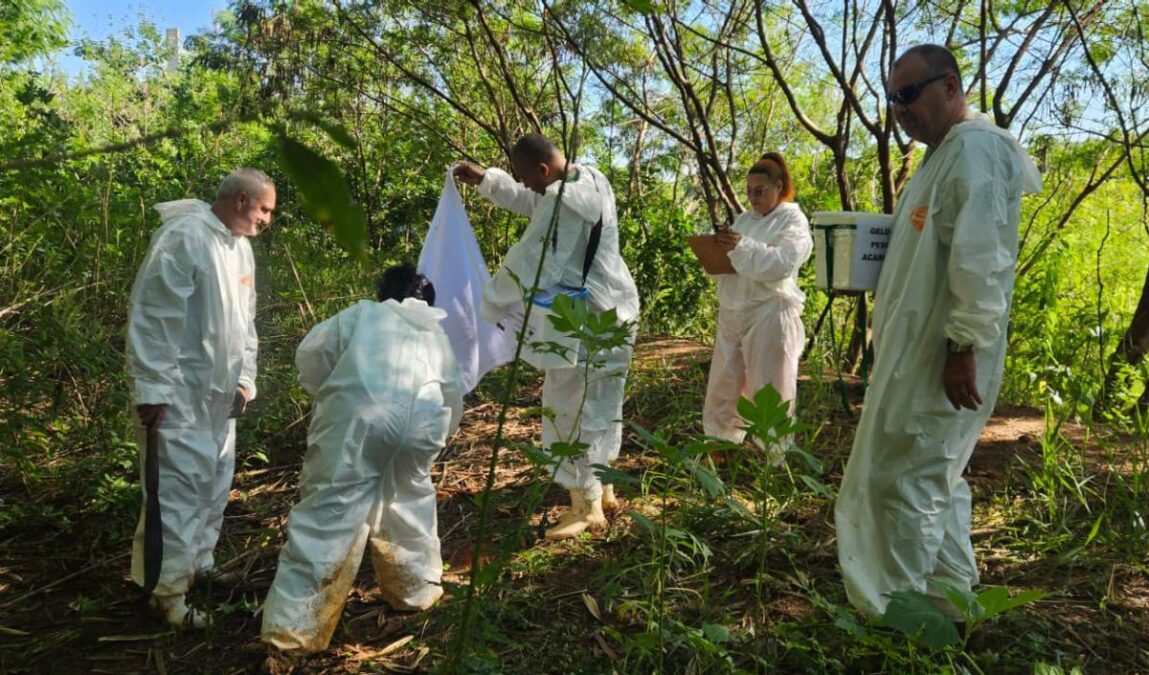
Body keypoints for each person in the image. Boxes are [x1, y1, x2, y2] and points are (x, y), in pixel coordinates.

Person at [835, 44, 1042, 618]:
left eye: (909, 94)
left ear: (949, 86)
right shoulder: (940, 157)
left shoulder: (976, 149)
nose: (898, 108)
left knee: (911, 478)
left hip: (945, 352)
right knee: (932, 475)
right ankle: (950, 601)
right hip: (919, 348)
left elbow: (983, 258)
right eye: (892, 98)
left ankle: (902, 615)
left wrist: (963, 346)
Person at [261, 264, 463, 655]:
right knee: (407, 502)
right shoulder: (436, 335)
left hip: (357, 424)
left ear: (384, 291)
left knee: (329, 514)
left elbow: (313, 353)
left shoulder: (362, 315)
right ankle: (415, 590)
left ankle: (294, 633)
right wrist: (438, 436)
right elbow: (453, 394)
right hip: (420, 429)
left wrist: (330, 392)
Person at [453, 133, 640, 539]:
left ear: (543, 170)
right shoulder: (591, 179)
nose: (527, 188)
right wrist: (487, 179)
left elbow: (533, 259)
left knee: (570, 404)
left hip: (584, 317)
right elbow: (534, 202)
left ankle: (585, 506)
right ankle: (604, 488)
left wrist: (492, 300)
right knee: (603, 399)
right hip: (618, 308)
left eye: (527, 178)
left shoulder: (560, 201)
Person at [126, 168, 276, 626]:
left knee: (212, 484)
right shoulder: (185, 237)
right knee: (176, 490)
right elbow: (155, 314)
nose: (268, 220)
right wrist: (152, 389)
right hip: (179, 395)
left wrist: (245, 380)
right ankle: (166, 595)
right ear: (240, 200)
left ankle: (197, 566)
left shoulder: (240, 249)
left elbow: (245, 324)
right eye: (265, 209)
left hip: (218, 397)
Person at [703, 152, 812, 457]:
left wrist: (740, 246)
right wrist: (716, 248)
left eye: (760, 191)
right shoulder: (745, 220)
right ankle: (721, 447)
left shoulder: (793, 220)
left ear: (779, 187)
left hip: (770, 311)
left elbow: (781, 263)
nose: (753, 198)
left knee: (770, 387)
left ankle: (773, 457)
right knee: (724, 383)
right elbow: (732, 261)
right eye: (749, 191)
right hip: (735, 311)